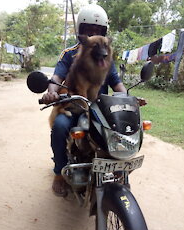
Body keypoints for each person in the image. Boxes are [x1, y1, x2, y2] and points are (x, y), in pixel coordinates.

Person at [42, 4, 128, 197]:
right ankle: (59, 172)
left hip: (100, 108)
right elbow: (56, 78)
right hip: (75, 104)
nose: (93, 33)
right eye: (89, 29)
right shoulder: (69, 54)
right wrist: (51, 92)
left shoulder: (106, 57)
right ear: (81, 30)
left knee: (120, 129)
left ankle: (117, 168)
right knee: (60, 126)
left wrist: (129, 98)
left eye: (98, 31)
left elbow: (117, 84)